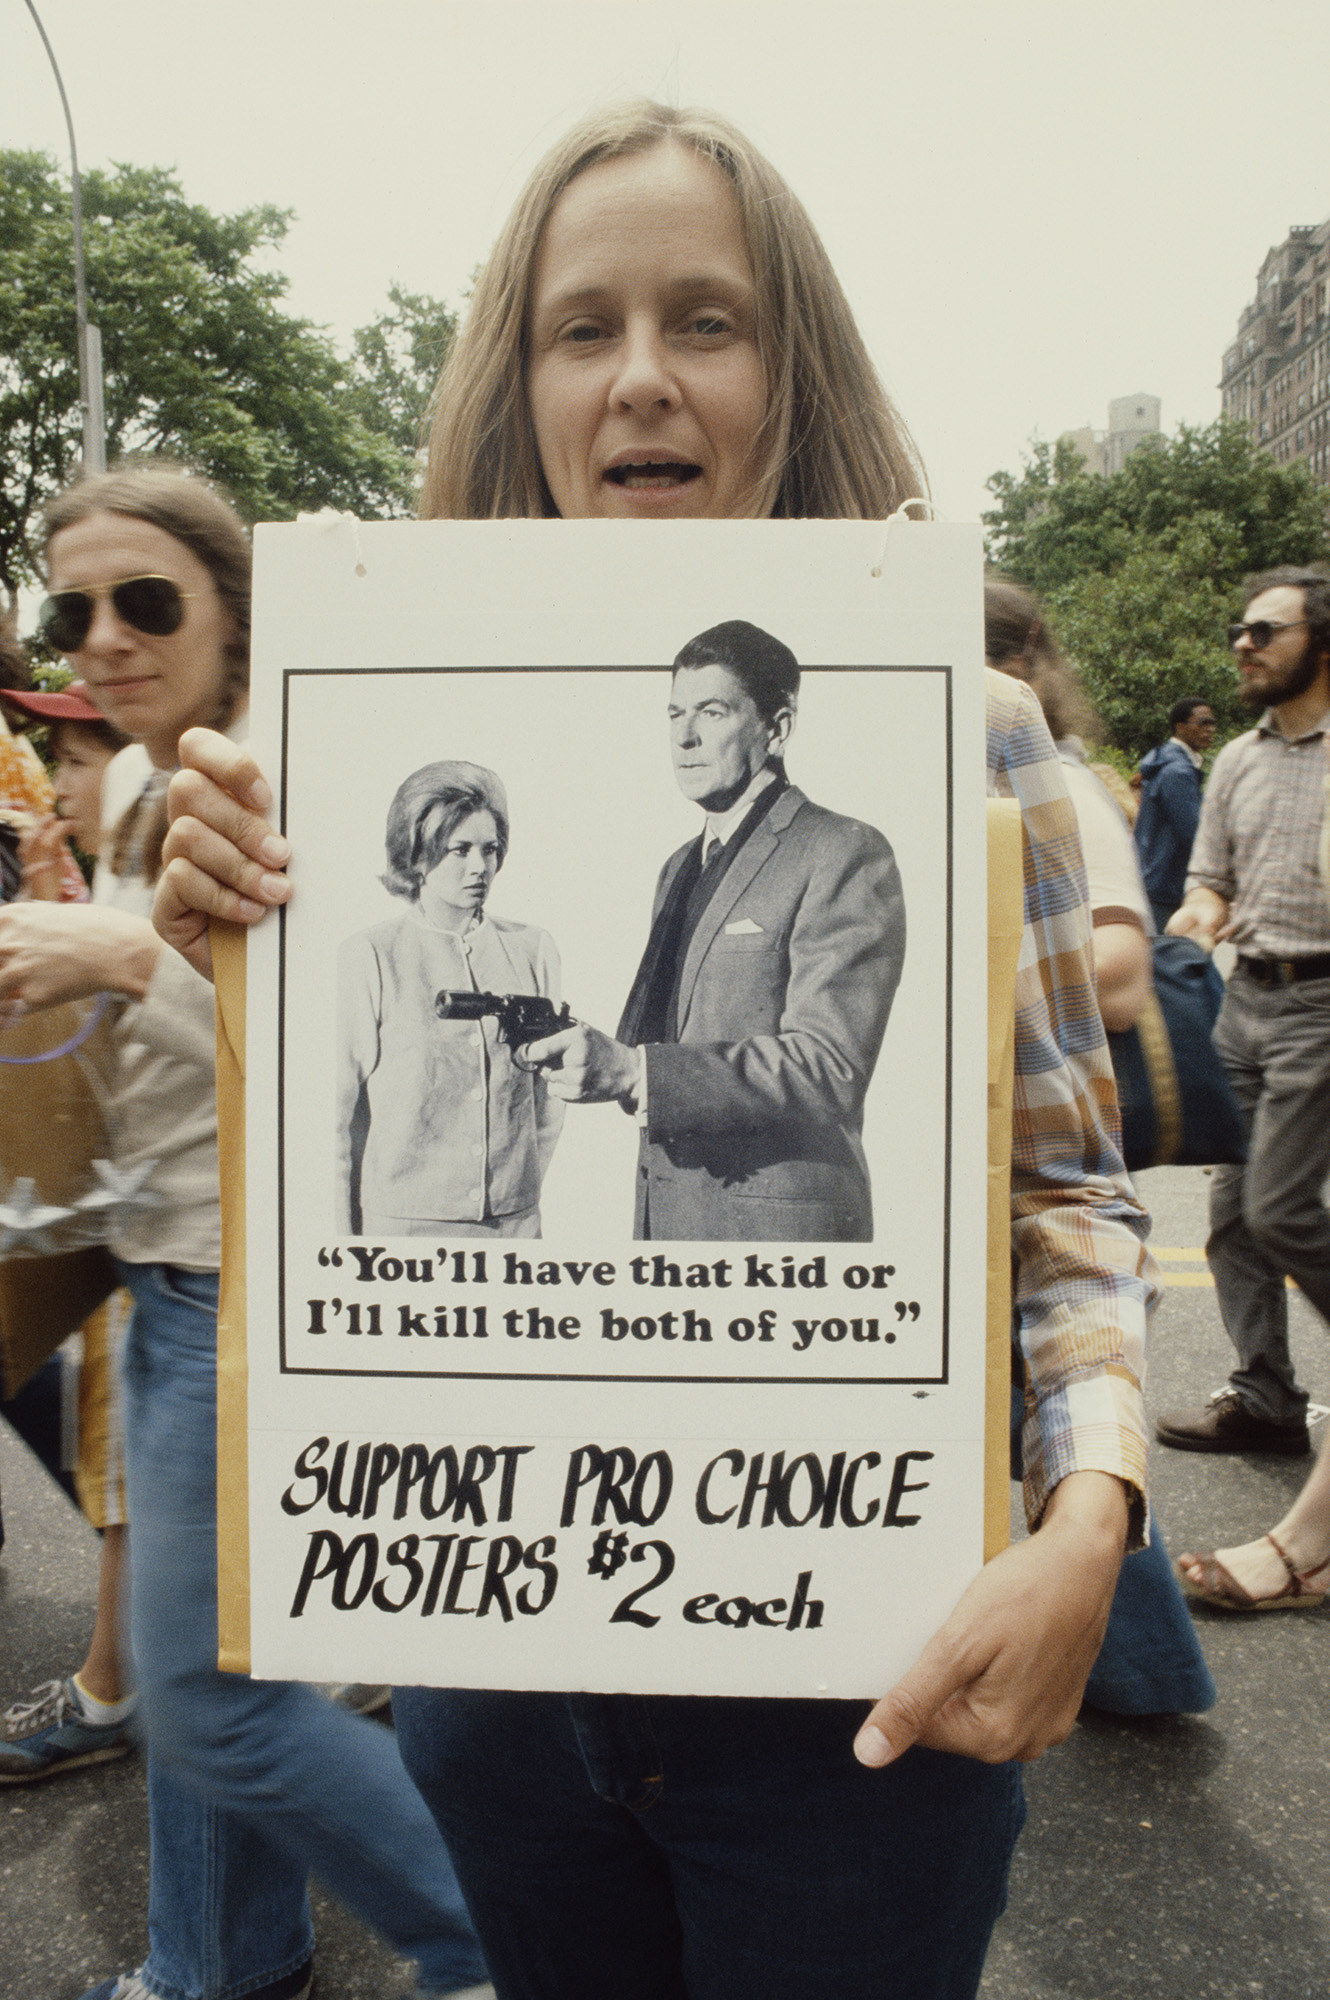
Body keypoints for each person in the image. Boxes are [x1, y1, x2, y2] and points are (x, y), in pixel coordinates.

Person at [154, 101, 1154, 2000]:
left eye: (707, 321)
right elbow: (287, 1209)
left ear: (792, 373)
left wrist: (1088, 1521)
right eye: (580, 327)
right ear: (515, 381)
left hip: (857, 1683)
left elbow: (1068, 1186)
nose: (640, 379)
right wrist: (222, 967)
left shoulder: (970, 737)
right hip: (504, 1679)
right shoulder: (375, 739)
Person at [0, 465, 488, 2000]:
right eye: (71, 607)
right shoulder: (150, 785)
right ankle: (212, 1963)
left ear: (236, 612)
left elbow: (347, 1007)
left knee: (207, 1699)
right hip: (172, 1277)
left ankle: (507, 1947)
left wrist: (105, 951)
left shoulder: (287, 762)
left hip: (250, 1295)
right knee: (234, 1667)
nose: (103, 637)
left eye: (148, 601)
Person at [984, 579, 1213, 1718]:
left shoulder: (1049, 775)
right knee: (1057, 1429)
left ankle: (1141, 1672)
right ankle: (1139, 1667)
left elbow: (1116, 973)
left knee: (1061, 1426)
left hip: (1024, 1127)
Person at [527, 618, 903, 1241]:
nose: (685, 739)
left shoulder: (842, 851)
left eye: (712, 712)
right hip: (671, 1227)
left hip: (777, 1244)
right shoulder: (679, 866)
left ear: (776, 728)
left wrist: (631, 1072)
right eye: (674, 715)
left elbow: (829, 1064)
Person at [1156, 568, 1330, 1458]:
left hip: (1321, 1003)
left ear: (1321, 645)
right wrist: (1194, 922)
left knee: (1282, 1209)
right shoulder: (1237, 760)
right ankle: (1266, 1397)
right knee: (1233, 1215)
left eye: (1267, 631)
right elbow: (1209, 879)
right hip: (1247, 1000)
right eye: (1241, 628)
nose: (1244, 643)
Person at [338, 759, 562, 1236]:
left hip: (515, 1227)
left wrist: (518, 1194)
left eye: (491, 849)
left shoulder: (533, 948)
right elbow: (334, 1117)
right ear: (418, 854)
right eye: (460, 850)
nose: (480, 867)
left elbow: (548, 1104)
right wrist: (341, 1247)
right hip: (405, 1234)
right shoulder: (371, 955)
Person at [1134, 696, 1216, 931]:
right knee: (1175, 959)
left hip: (1153, 876)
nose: (1210, 729)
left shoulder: (1165, 761)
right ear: (1180, 727)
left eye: (1212, 723)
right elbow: (1193, 833)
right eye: (1203, 723)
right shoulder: (1178, 771)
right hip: (1166, 883)